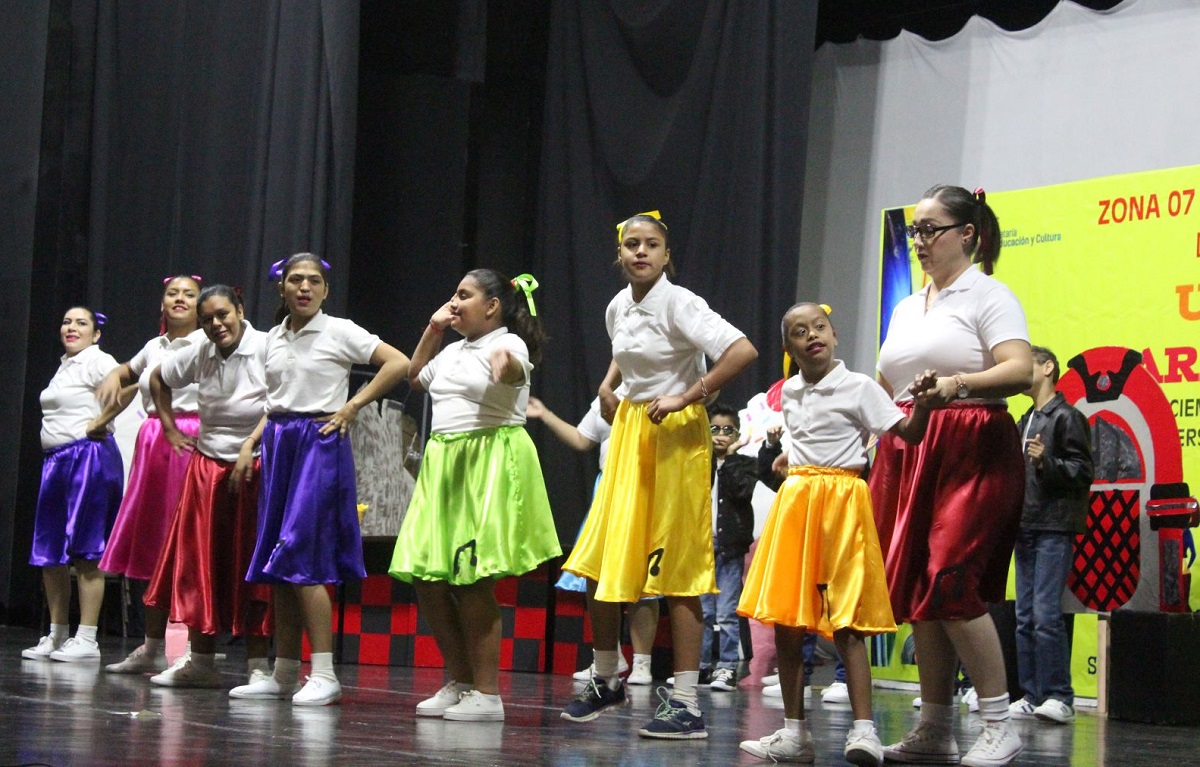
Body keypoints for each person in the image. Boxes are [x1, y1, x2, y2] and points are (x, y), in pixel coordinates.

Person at [559, 211, 758, 739]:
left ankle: (687, 702)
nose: (640, 252)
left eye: (651, 245)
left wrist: (688, 395)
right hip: (629, 431)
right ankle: (607, 678)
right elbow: (624, 355)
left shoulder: (680, 302)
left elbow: (741, 350)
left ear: (667, 255)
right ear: (619, 254)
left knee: (676, 570)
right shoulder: (618, 306)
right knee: (600, 561)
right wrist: (607, 386)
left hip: (675, 437)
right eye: (631, 244)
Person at [871, 184, 1033, 767]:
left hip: (972, 444)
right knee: (918, 589)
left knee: (952, 579)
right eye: (914, 230)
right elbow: (888, 382)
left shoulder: (988, 293)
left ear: (966, 233)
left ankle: (998, 719)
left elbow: (1018, 367)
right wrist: (870, 429)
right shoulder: (908, 306)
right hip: (910, 450)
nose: (919, 241)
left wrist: (956, 384)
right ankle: (935, 726)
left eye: (930, 229)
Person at [738, 302, 936, 765]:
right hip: (798, 503)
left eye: (820, 327)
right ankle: (794, 734)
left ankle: (864, 730)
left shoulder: (859, 386)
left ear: (835, 335)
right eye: (801, 332)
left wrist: (923, 406)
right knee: (788, 620)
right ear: (789, 347)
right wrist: (791, 459)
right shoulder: (788, 392)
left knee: (846, 620)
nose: (813, 336)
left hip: (843, 503)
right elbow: (804, 439)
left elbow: (906, 431)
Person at [237, 253, 411, 706]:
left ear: (325, 290)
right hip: (280, 445)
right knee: (278, 557)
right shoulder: (272, 337)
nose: (304, 288)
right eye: (296, 280)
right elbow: (274, 401)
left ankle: (326, 672)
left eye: (314, 281)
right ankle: (284, 672)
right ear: (282, 287)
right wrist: (253, 442)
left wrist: (353, 405)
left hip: (318, 442)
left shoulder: (340, 331)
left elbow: (398, 363)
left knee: (303, 554)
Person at [390, 269, 560, 722]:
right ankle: (461, 679)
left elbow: (513, 368)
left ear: (492, 306)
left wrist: (506, 366)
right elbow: (413, 377)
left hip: (486, 460)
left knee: (472, 578)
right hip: (444, 464)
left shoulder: (508, 343)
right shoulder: (451, 351)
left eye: (464, 295)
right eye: (454, 294)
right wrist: (433, 328)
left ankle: (488, 694)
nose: (455, 302)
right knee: (427, 577)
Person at [142, 284, 273, 689]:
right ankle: (201, 661)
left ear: (240, 309)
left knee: (251, 567)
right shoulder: (200, 350)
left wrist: (250, 447)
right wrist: (168, 426)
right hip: (207, 468)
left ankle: (258, 667)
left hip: (254, 468)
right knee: (202, 566)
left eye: (222, 315)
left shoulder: (267, 348)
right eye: (207, 320)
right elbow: (157, 378)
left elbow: (282, 404)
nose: (216, 325)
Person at [97, 275, 204, 674]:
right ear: (162, 303)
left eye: (188, 295)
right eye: (172, 294)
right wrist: (115, 375)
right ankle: (152, 646)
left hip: (188, 437)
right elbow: (128, 371)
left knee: (188, 545)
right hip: (152, 442)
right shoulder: (153, 346)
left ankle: (197, 649)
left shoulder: (205, 343)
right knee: (153, 546)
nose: (179, 300)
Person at [526, 395, 660, 686]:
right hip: (609, 488)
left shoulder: (658, 388)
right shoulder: (606, 397)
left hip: (646, 485)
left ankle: (642, 663)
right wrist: (545, 413)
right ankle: (609, 657)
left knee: (643, 579)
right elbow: (581, 439)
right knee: (599, 575)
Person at [23, 307, 125, 662]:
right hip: (56, 462)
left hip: (89, 458)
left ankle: (87, 637)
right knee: (49, 551)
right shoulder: (64, 367)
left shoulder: (98, 359)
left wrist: (102, 421)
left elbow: (126, 384)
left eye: (81, 323)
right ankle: (57, 632)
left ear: (95, 334)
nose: (71, 327)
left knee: (86, 548)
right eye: (66, 321)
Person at [1009, 345, 1093, 725]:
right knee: (1025, 615)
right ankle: (1031, 694)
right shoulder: (1025, 417)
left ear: (1047, 367)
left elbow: (1084, 470)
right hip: (1024, 525)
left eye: (1027, 364)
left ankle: (1060, 695)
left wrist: (1049, 462)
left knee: (1046, 615)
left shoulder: (1067, 417)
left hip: (1054, 526)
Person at [698, 402, 756, 691]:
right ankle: (700, 667)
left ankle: (728, 668)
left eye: (727, 430)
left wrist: (731, 459)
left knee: (726, 612)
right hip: (701, 546)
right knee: (704, 613)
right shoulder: (699, 461)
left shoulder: (744, 464)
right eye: (714, 429)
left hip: (731, 547)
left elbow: (742, 493)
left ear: (737, 435)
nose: (720, 435)